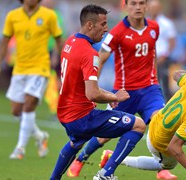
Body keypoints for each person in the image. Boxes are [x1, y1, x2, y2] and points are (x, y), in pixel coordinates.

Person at [67, 0, 176, 179]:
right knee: (104, 136)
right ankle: (81, 158)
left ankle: (161, 169)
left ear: (146, 6)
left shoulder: (154, 28)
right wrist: (95, 88)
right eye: (133, 3)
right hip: (125, 93)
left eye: (142, 3)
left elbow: (151, 54)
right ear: (126, 6)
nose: (138, 7)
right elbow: (100, 59)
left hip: (150, 90)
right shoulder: (117, 32)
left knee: (161, 126)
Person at [49, 4, 146, 180]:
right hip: (83, 117)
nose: (106, 29)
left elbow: (84, 86)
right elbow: (92, 94)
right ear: (90, 25)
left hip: (66, 113)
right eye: (103, 24)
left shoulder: (70, 42)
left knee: (75, 142)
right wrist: (115, 96)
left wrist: (109, 96)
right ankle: (106, 174)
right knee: (138, 125)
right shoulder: (89, 53)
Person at [100, 70, 186, 180]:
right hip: (160, 138)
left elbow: (176, 74)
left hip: (171, 121)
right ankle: (113, 158)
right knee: (165, 165)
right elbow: (174, 147)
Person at [0, 0, 63, 159]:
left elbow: (58, 40)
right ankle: (39, 135)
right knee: (16, 110)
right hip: (20, 69)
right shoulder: (13, 16)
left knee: (29, 105)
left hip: (40, 68)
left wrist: (60, 66)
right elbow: (4, 41)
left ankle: (20, 148)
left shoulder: (49, 15)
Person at [148, 0, 177, 101]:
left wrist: (164, 55)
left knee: (164, 82)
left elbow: (172, 42)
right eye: (152, 7)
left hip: (162, 58)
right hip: (148, 58)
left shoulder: (166, 23)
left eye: (155, 8)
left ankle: (168, 104)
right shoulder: (144, 22)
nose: (153, 10)